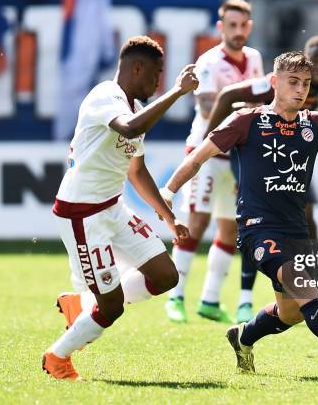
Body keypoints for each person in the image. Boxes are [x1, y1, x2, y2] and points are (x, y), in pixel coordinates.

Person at [159, 51, 318, 378]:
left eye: (305, 83)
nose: (301, 89)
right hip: (258, 231)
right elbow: (197, 158)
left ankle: (243, 336)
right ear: (274, 82)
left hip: (296, 233)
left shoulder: (314, 124)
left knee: (291, 312)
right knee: (309, 296)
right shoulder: (246, 121)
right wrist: (167, 193)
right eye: (293, 82)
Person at [41, 35, 199, 380]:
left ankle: (80, 306)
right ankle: (57, 357)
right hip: (82, 214)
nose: (158, 82)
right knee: (111, 308)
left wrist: (169, 218)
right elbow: (131, 128)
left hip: (112, 208)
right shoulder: (105, 97)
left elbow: (137, 171)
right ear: (137, 68)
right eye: (156, 74)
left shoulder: (133, 108)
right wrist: (178, 91)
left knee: (166, 276)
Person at [203, 35, 318, 326]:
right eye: (315, 58)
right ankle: (245, 299)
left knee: (309, 223)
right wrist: (209, 140)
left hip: (290, 160)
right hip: (255, 155)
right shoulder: (272, 86)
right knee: (257, 223)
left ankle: (314, 296)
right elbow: (228, 97)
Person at [164, 0, 265, 324]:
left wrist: (241, 105)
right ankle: (175, 296)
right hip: (205, 153)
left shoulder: (254, 58)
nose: (238, 31)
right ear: (221, 28)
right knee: (196, 223)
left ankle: (209, 299)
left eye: (243, 25)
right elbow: (209, 109)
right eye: (231, 26)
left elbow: (260, 102)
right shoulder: (208, 61)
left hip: (236, 156)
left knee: (229, 226)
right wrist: (244, 106)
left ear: (249, 26)